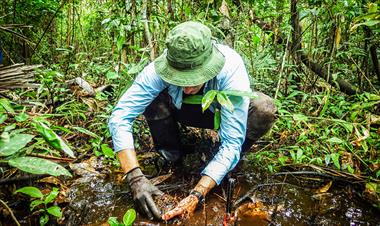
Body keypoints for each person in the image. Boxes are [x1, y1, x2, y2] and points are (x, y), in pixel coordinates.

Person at [108, 21, 277, 221]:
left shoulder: (231, 66)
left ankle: (227, 164)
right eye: (179, 79)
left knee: (263, 108)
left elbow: (232, 142)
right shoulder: (157, 69)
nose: (186, 88)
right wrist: (135, 178)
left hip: (219, 113)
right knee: (152, 99)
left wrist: (197, 193)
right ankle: (172, 156)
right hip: (180, 110)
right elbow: (120, 116)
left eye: (193, 79)